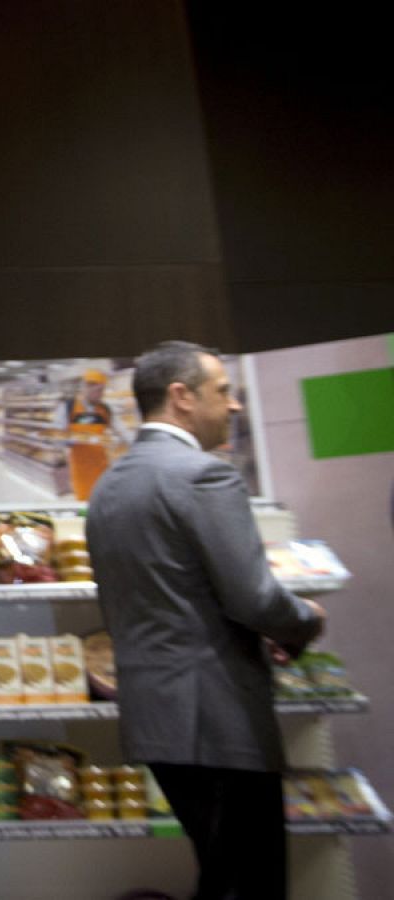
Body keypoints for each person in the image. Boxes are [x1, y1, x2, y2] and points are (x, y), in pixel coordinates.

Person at [86, 340, 326, 900]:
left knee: (222, 874)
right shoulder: (203, 476)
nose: (235, 405)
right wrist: (305, 621)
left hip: (157, 718)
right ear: (181, 397)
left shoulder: (107, 489)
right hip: (220, 717)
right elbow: (254, 599)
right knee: (252, 882)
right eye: (223, 391)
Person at [63, 367, 127, 501]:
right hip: (81, 472)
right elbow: (57, 436)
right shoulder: (69, 408)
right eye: (98, 391)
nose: (101, 395)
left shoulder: (104, 409)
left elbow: (123, 431)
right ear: (86, 387)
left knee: (105, 502)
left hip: (102, 468)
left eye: (102, 391)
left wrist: (137, 442)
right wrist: (72, 439)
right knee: (85, 507)